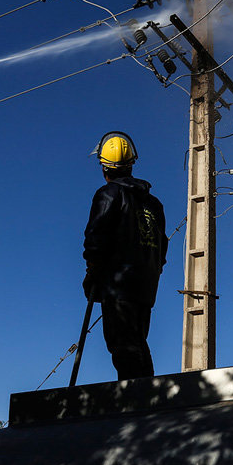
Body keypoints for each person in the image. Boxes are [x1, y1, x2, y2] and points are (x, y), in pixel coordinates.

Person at [83, 131, 168, 380]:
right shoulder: (154, 204)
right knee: (137, 342)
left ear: (104, 168)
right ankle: (147, 394)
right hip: (146, 287)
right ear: (132, 164)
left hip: (119, 284)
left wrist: (93, 274)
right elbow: (162, 247)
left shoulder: (108, 194)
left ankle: (136, 401)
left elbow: (95, 238)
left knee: (124, 346)